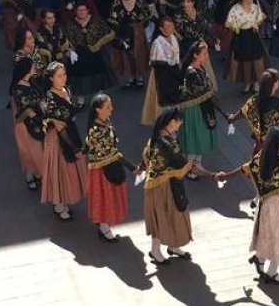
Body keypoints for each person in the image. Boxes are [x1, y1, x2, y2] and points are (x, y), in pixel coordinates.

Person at [216, 124, 279, 284]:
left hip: (264, 204)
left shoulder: (263, 157)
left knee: (267, 235)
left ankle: (259, 259)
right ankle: (272, 273)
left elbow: (244, 168)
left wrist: (225, 176)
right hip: (278, 206)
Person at [142, 107, 214, 266]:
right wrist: (212, 174)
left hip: (169, 183)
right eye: (179, 121)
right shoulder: (165, 143)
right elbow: (186, 165)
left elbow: (146, 157)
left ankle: (173, 246)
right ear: (171, 122)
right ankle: (155, 250)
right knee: (162, 217)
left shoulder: (160, 137)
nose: (180, 124)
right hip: (161, 187)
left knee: (174, 215)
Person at [85, 93, 136, 242]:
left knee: (108, 197)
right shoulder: (97, 130)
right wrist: (132, 167)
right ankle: (103, 227)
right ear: (98, 110)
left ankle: (103, 224)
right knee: (105, 198)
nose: (111, 109)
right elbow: (112, 154)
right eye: (108, 107)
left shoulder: (105, 121)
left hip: (108, 164)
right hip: (102, 169)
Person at [39, 62, 85, 222]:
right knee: (59, 170)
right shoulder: (49, 99)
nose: (63, 78)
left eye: (64, 74)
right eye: (59, 76)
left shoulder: (66, 90)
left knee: (68, 171)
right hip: (58, 139)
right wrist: (73, 147)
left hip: (70, 131)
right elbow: (59, 126)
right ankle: (58, 204)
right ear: (51, 78)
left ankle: (65, 198)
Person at [175, 41, 218, 173]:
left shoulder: (199, 68)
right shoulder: (191, 72)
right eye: (204, 53)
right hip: (194, 111)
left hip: (202, 107)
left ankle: (197, 165)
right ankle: (188, 169)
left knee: (200, 138)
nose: (207, 56)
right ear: (195, 55)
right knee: (195, 139)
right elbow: (202, 90)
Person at [107, 0, 151, 90]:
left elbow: (146, 16)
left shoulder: (139, 1)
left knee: (138, 53)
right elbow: (113, 19)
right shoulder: (116, 2)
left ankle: (139, 76)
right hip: (123, 32)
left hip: (137, 32)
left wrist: (138, 27)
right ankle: (130, 77)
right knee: (125, 55)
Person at [224, 0, 269, 93]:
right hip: (241, 37)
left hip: (253, 36)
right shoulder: (235, 8)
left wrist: (257, 24)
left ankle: (257, 83)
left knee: (256, 60)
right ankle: (248, 83)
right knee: (245, 61)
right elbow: (229, 23)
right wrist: (237, 26)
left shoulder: (255, 7)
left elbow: (261, 19)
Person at [9, 57, 44, 192]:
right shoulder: (19, 89)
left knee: (37, 150)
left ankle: (37, 172)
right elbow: (27, 110)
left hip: (36, 122)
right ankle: (30, 174)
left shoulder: (30, 82)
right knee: (29, 151)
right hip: (26, 125)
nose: (35, 67)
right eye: (32, 66)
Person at [141, 15, 182, 128]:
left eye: (171, 25)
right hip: (161, 73)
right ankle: (164, 121)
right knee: (163, 96)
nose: (170, 28)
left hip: (174, 70)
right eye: (167, 26)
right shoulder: (157, 43)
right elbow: (158, 62)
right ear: (161, 29)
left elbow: (177, 56)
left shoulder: (173, 38)